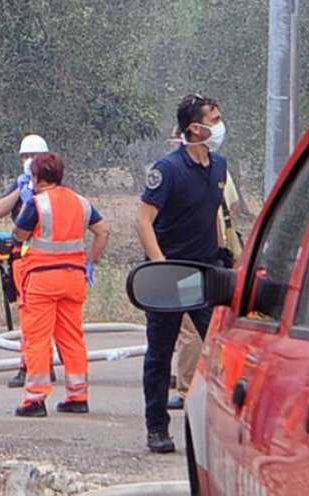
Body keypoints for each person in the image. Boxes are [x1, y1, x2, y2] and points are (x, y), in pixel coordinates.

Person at [135, 93, 228, 452]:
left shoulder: (219, 166)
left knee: (220, 353)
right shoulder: (168, 170)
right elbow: (143, 221)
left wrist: (224, 256)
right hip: (169, 274)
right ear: (195, 128)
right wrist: (160, 265)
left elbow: (215, 215)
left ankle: (218, 429)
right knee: (159, 356)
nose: (220, 125)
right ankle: (157, 428)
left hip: (205, 274)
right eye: (215, 119)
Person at [11, 152, 110, 417]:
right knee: (72, 337)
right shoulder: (81, 202)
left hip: (42, 280)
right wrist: (90, 261)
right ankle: (78, 395)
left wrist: (25, 207)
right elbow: (103, 231)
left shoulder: (37, 203)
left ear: (36, 177)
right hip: (74, 278)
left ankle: (34, 399)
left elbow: (19, 234)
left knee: (38, 339)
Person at [166, 129, 241, 411]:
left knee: (190, 327)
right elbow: (231, 207)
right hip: (217, 259)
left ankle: (187, 389)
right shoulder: (219, 170)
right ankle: (220, 385)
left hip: (195, 260)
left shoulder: (184, 173)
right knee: (214, 323)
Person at [0, 134, 56, 388]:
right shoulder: (20, 186)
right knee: (28, 317)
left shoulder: (56, 188)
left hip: (48, 260)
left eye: (34, 156)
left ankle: (42, 365)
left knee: (47, 319)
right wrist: (21, 188)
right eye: (25, 157)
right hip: (24, 260)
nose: (29, 161)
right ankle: (27, 364)